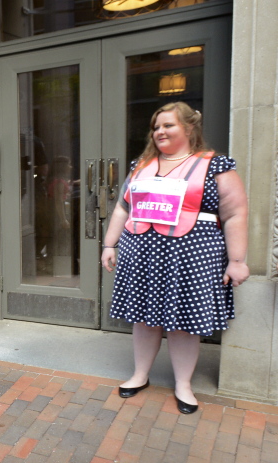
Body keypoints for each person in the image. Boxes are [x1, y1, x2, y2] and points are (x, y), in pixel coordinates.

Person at [101, 102, 249, 414]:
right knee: (143, 318)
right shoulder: (142, 165)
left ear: (189, 128)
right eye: (156, 127)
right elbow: (123, 208)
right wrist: (109, 244)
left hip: (191, 257)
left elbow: (235, 213)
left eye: (168, 125)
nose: (160, 132)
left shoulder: (215, 165)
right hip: (142, 253)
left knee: (184, 323)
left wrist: (237, 261)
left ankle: (183, 384)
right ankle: (140, 375)